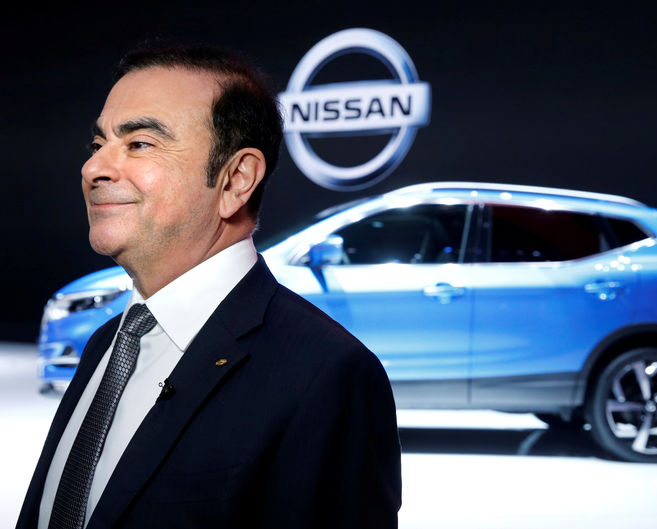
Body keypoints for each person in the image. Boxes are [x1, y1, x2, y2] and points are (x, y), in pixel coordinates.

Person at [16, 42, 402, 529]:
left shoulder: (326, 377)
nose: (93, 169)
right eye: (98, 145)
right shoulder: (106, 344)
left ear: (237, 179)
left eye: (139, 143)